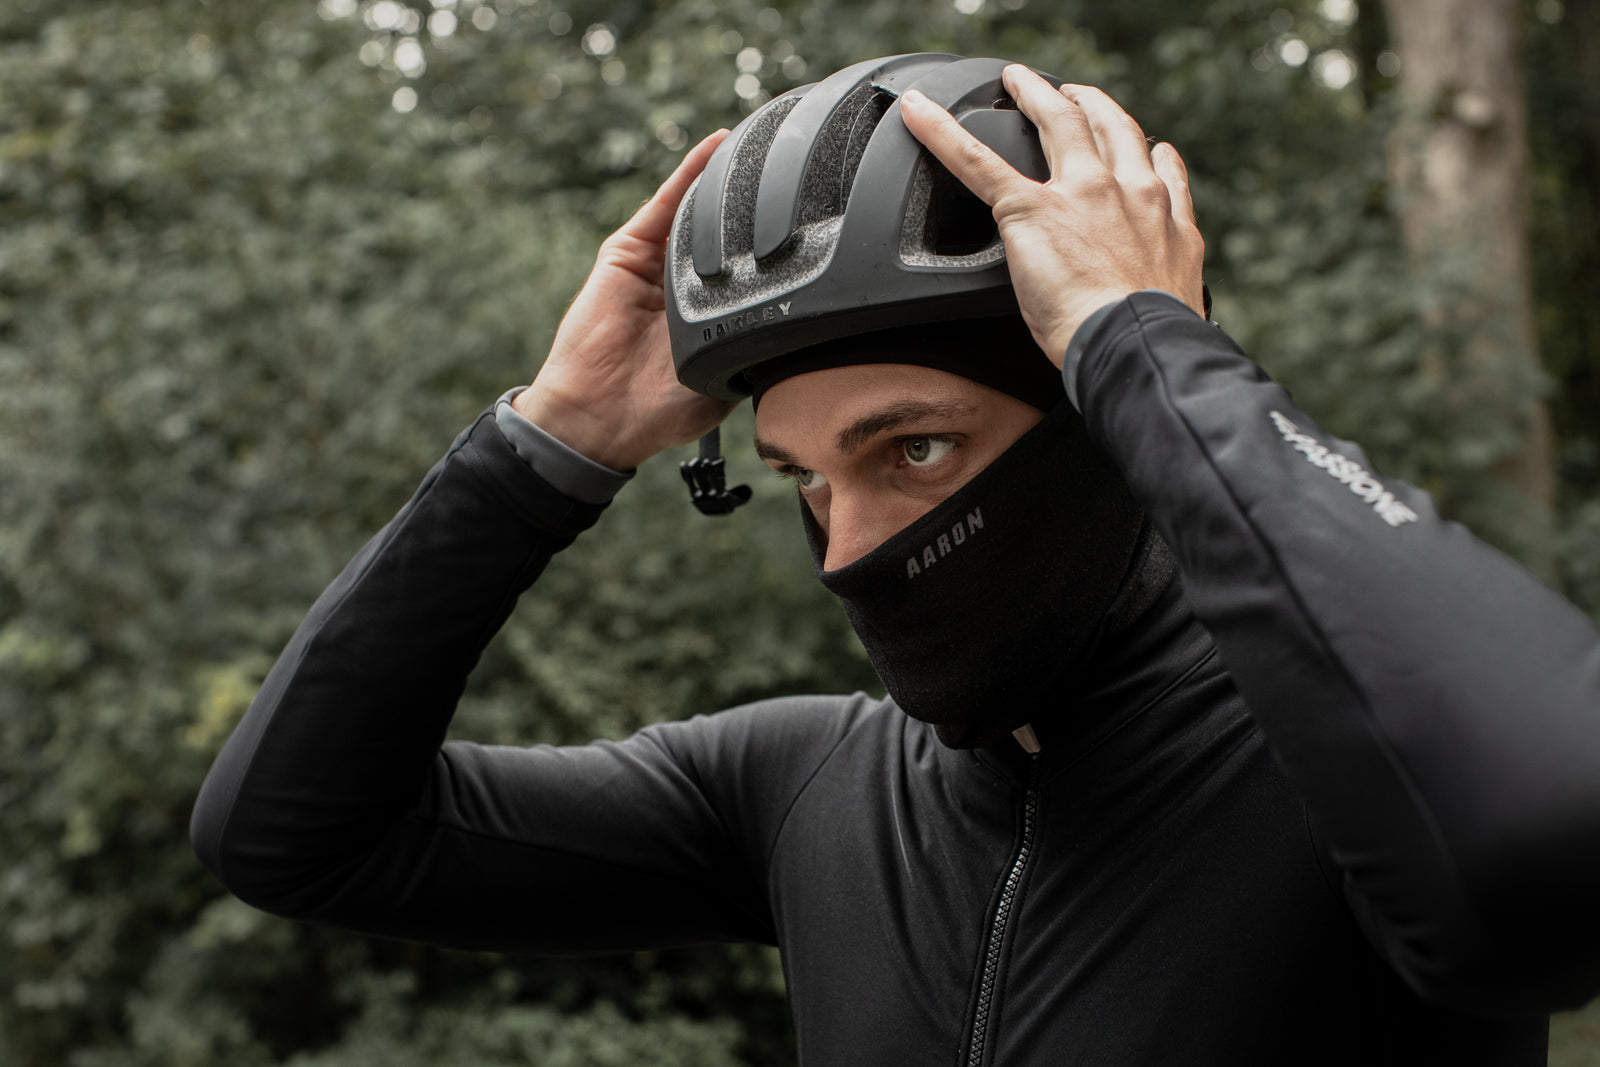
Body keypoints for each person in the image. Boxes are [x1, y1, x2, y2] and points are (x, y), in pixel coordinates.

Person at [191, 54, 1600, 1065]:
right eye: (803, 476)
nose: (847, 549)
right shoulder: (803, 788)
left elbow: (1546, 855)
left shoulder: (1346, 775)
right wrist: (549, 443)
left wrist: (1144, 341)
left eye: (913, 449)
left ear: (1109, 427)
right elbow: (296, 835)